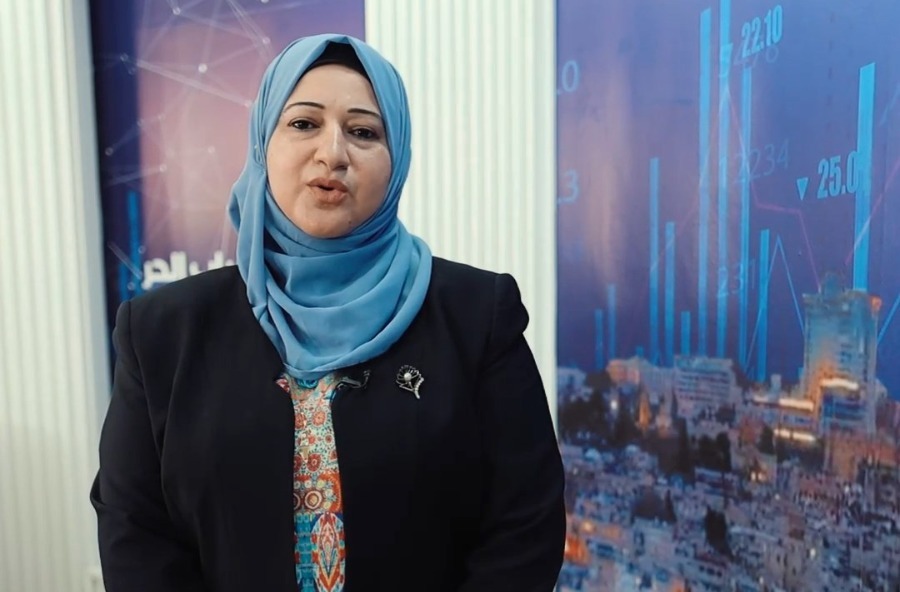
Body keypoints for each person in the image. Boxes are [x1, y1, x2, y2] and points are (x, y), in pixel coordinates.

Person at [90, 33, 565, 592]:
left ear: (397, 158)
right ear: (263, 144)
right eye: (303, 123)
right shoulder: (161, 332)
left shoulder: (477, 315)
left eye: (363, 132)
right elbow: (135, 532)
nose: (333, 153)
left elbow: (524, 525)